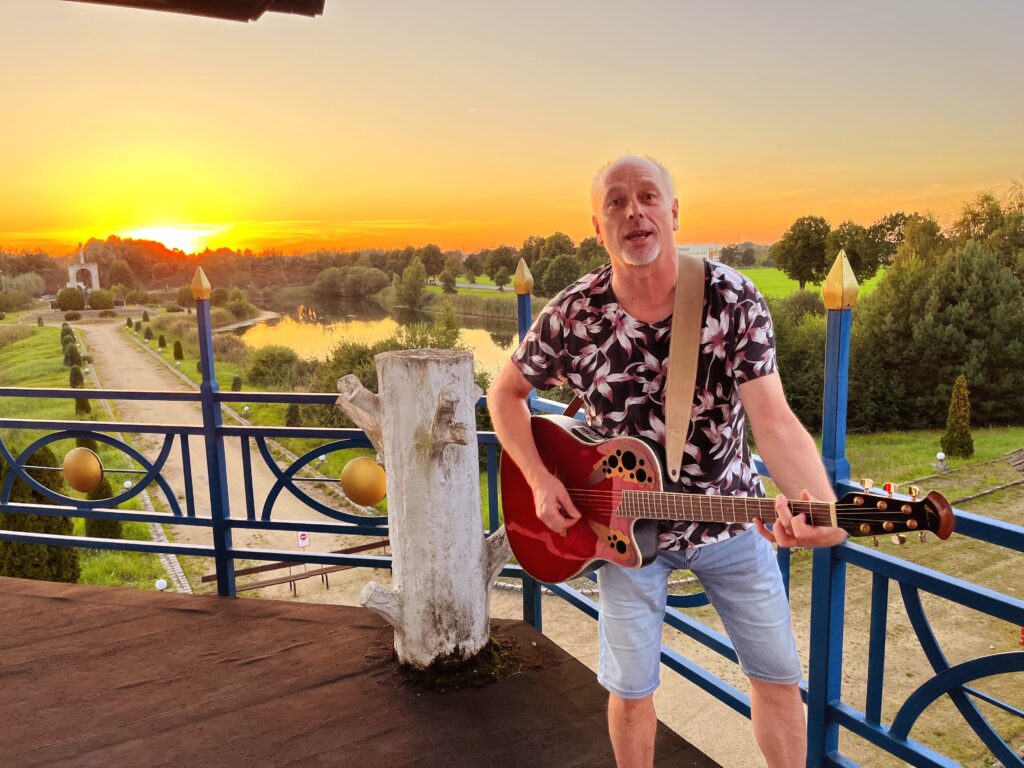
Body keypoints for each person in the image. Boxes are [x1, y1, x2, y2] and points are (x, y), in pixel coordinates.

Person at [487, 155, 847, 768]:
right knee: (630, 695)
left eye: (649, 196)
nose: (634, 211)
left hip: (731, 521)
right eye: (616, 202)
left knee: (779, 682)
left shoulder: (733, 299)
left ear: (674, 211)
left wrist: (822, 510)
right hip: (618, 530)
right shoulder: (574, 313)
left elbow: (775, 420)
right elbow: (505, 395)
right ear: (598, 227)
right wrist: (540, 479)